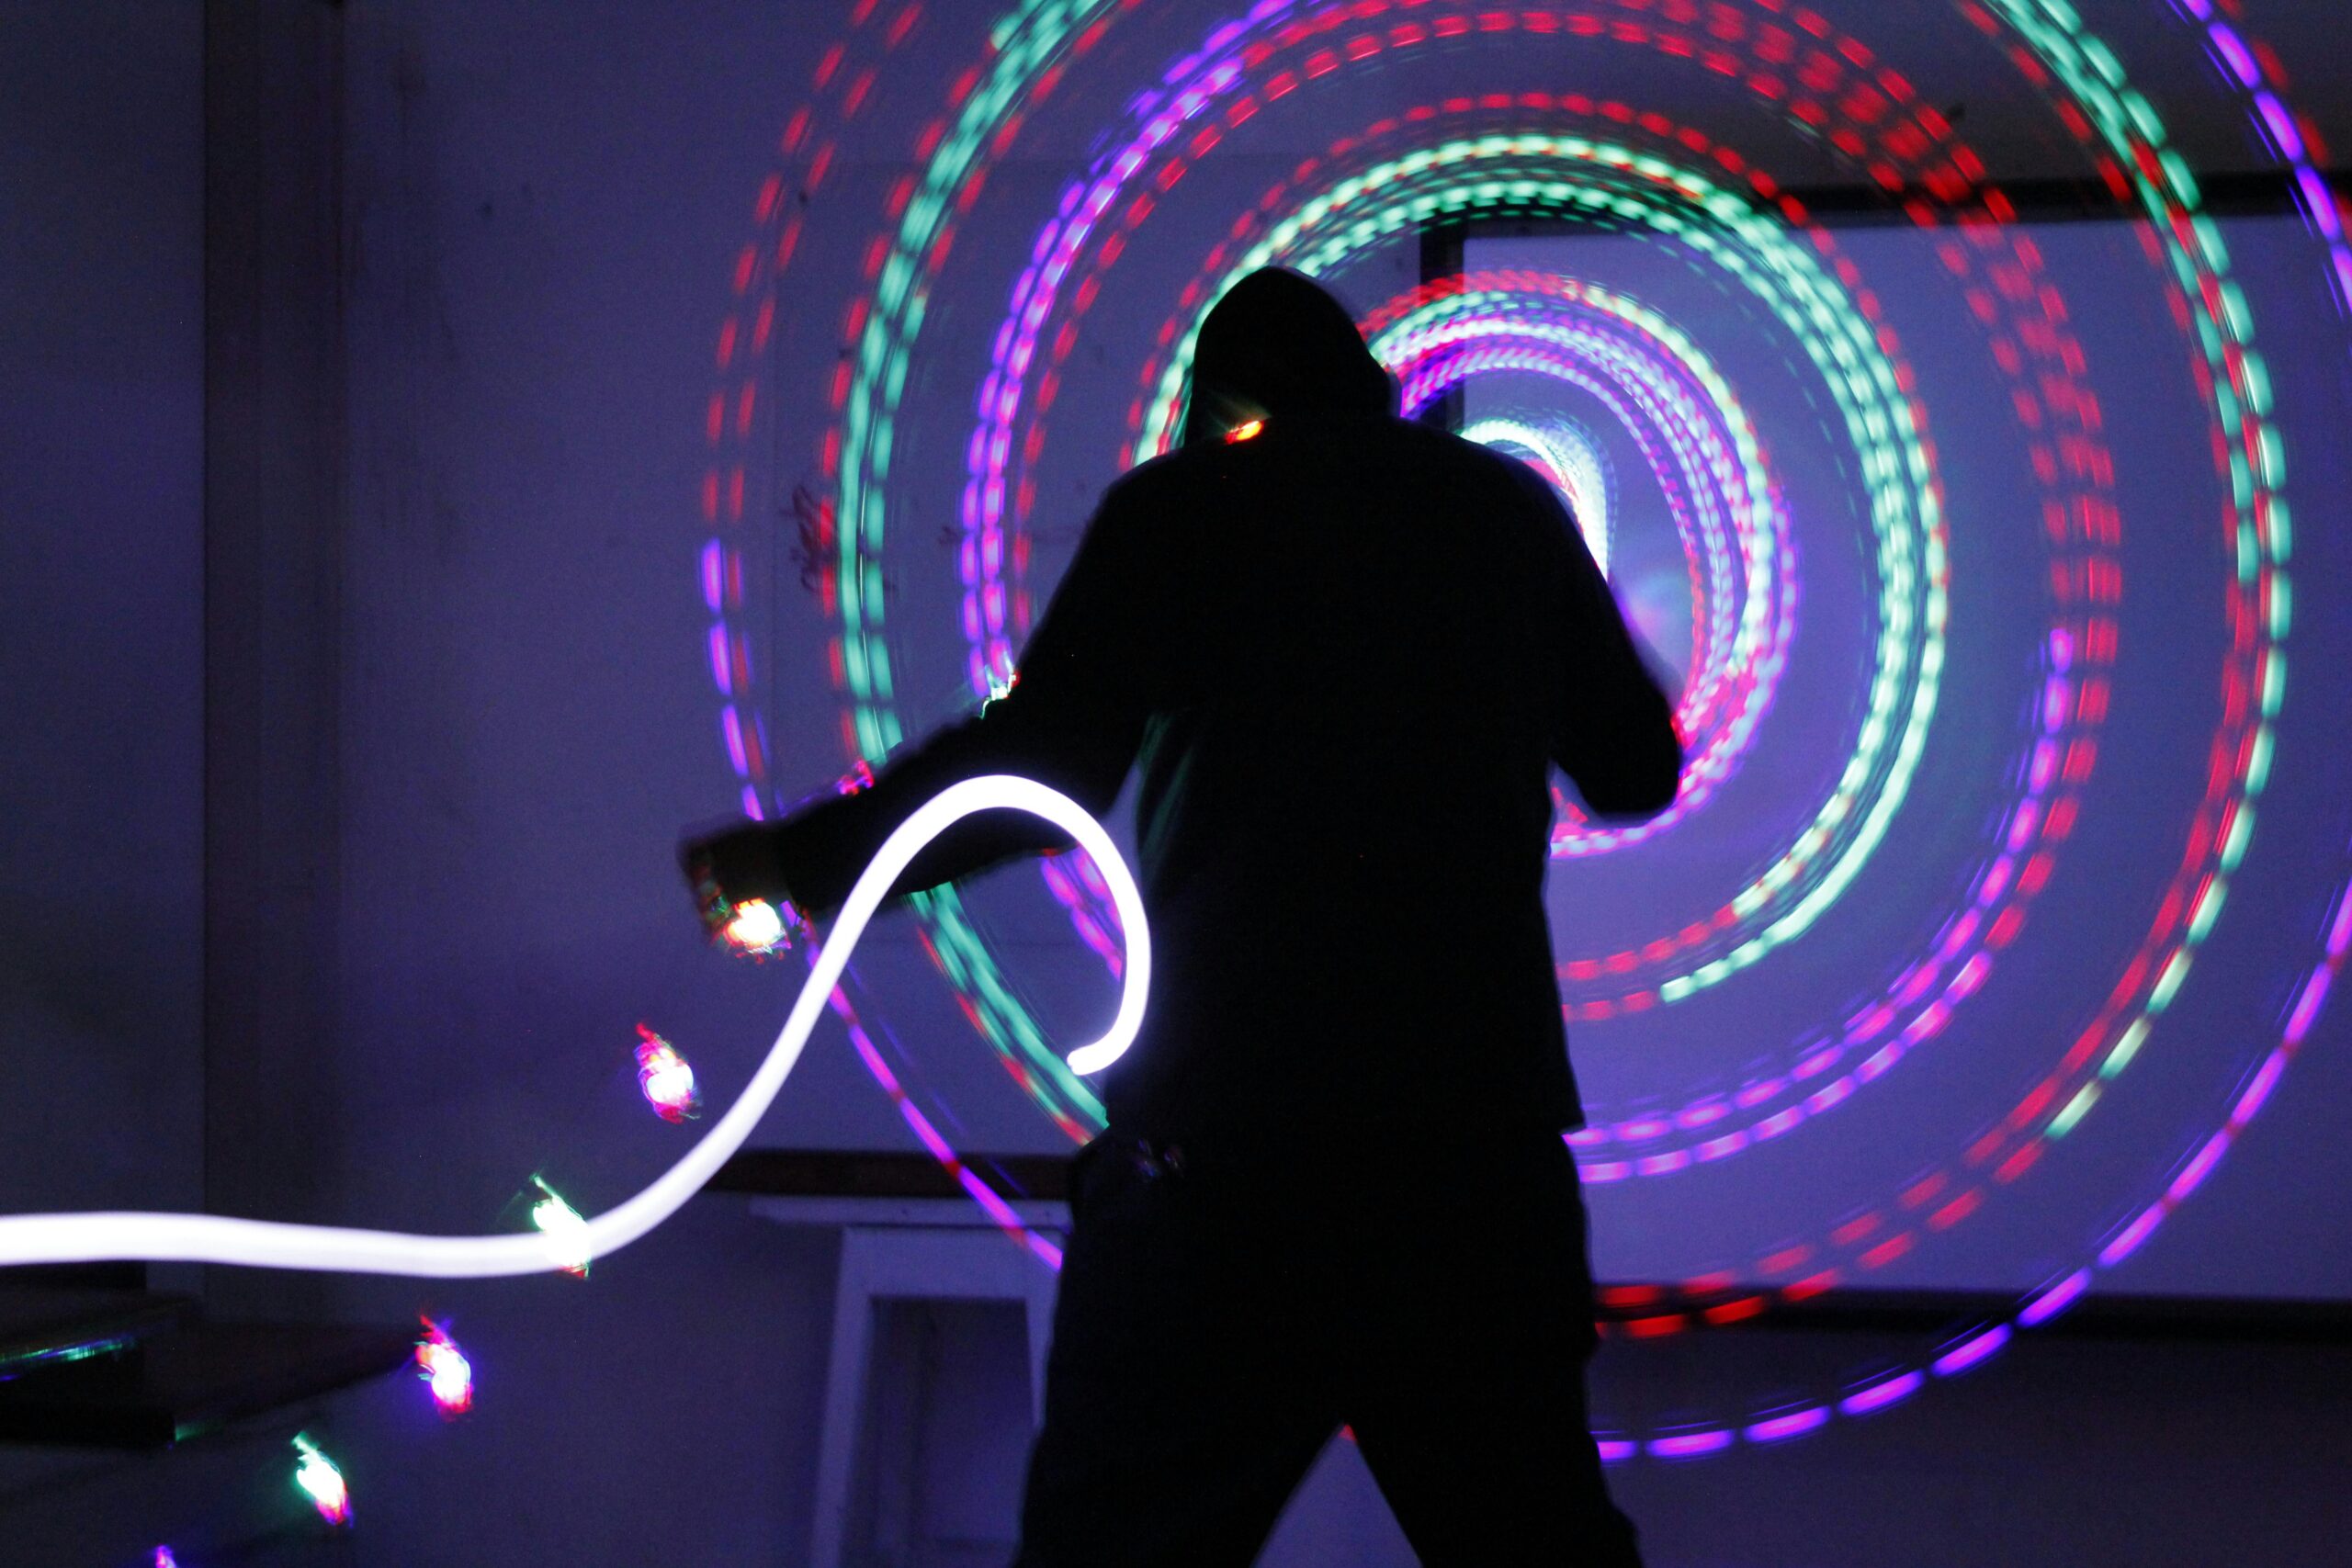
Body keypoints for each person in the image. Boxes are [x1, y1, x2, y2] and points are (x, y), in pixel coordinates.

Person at [683, 267, 1677, 1565]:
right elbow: (1636, 769)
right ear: (1368, 387)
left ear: (1224, 408)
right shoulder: (1506, 512)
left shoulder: (1183, 515)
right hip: (1468, 1173)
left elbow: (1031, 777)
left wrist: (791, 863)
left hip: (1224, 1172)